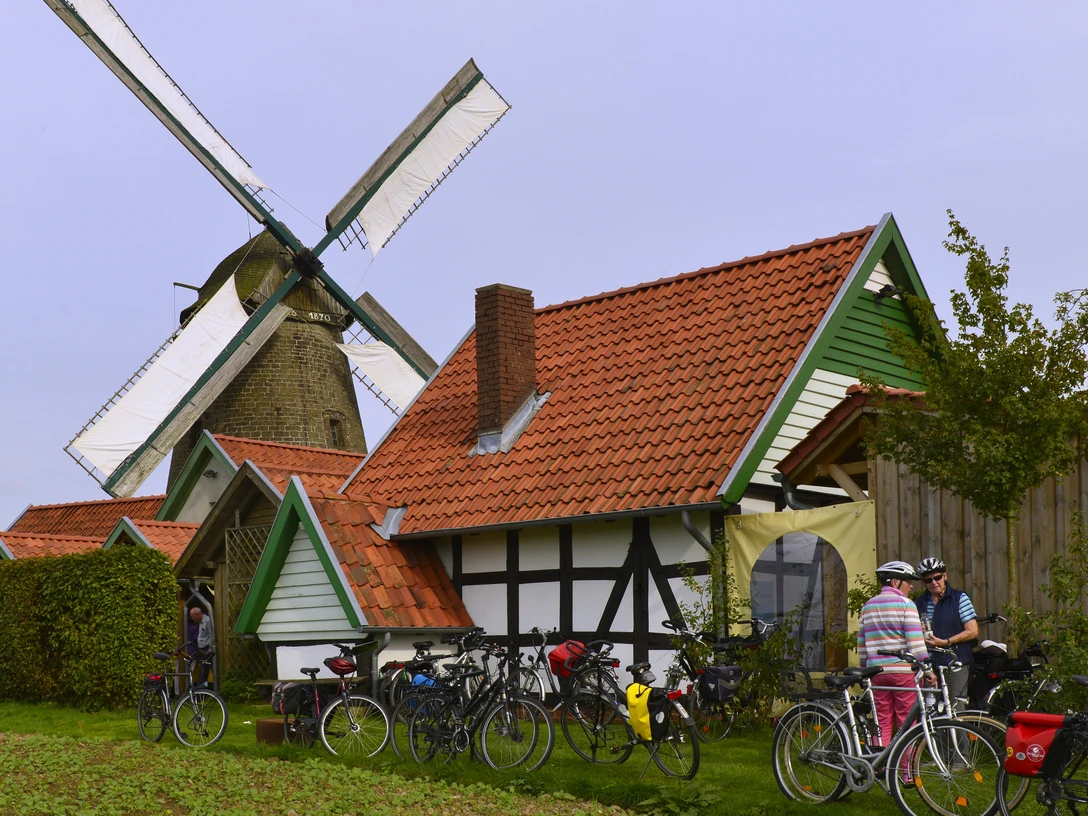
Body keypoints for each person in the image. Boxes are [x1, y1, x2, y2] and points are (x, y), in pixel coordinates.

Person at [858, 560, 934, 747]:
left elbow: (861, 644)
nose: (911, 585)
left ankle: (879, 767)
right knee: (907, 723)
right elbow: (915, 643)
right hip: (901, 672)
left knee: (881, 721)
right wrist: (927, 669)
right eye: (908, 581)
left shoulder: (867, 606)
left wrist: (863, 669)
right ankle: (905, 773)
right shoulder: (906, 604)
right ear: (894, 582)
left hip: (876, 672)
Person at [915, 556, 978, 706]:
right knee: (929, 710)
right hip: (928, 664)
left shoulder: (959, 598)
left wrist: (946, 642)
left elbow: (972, 631)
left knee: (956, 708)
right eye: (928, 580)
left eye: (937, 577)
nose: (934, 582)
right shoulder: (919, 602)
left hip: (954, 662)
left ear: (945, 576)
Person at [188, 605, 215, 689]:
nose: (192, 618)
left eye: (192, 616)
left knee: (204, 671)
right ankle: (201, 691)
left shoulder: (207, 621)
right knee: (202, 671)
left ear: (197, 614)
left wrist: (210, 649)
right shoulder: (200, 622)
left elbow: (212, 635)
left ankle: (201, 691)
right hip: (202, 649)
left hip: (207, 649)